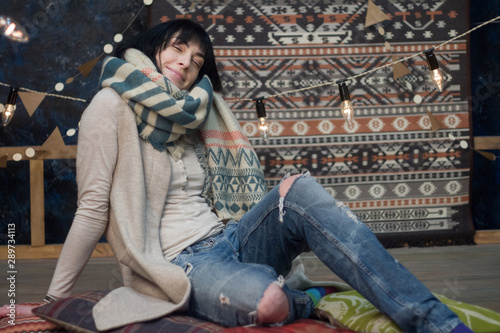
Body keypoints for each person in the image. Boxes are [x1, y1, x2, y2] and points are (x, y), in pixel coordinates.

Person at [1, 19, 473, 333]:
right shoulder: (110, 106)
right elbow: (92, 208)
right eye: (178, 48)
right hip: (178, 263)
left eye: (198, 61)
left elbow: (226, 193)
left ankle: (436, 322)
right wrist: (50, 302)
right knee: (269, 303)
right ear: (155, 48)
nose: (186, 63)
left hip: (228, 237)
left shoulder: (195, 115)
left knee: (297, 188)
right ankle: (300, 297)